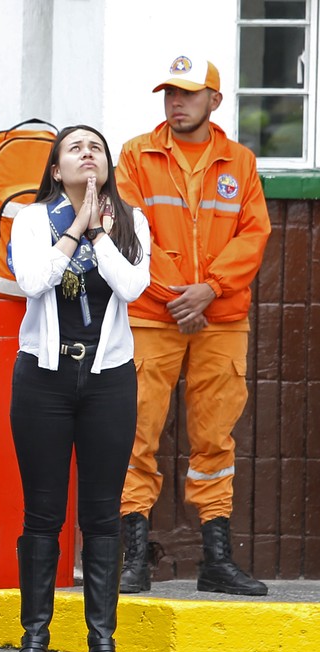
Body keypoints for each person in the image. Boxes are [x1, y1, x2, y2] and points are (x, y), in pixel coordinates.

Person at [115, 56, 271, 597]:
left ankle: (216, 561)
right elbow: (128, 232)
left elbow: (253, 236)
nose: (175, 102)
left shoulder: (241, 162)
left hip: (220, 318)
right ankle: (133, 557)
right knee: (136, 435)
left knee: (215, 440)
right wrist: (183, 295)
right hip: (154, 315)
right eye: (168, 93)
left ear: (214, 101)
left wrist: (210, 290)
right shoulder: (136, 155)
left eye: (187, 93)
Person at [8, 125, 150, 652]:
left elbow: (133, 287)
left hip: (109, 376)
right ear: (55, 169)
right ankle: (35, 636)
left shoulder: (131, 220)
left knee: (101, 512)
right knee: (42, 511)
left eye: (97, 148)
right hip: (44, 377)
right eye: (76, 148)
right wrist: (74, 231)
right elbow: (33, 280)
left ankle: (102, 642)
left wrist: (100, 235)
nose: (88, 154)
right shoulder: (31, 218)